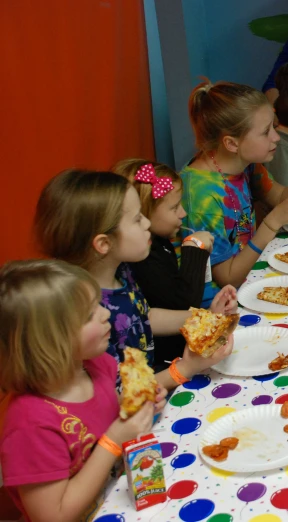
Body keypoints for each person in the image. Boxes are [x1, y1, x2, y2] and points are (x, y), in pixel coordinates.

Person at [34, 170, 235, 391]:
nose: (147, 223)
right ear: (103, 243)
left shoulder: (121, 271)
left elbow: (144, 316)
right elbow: (117, 396)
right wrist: (186, 368)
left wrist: (206, 318)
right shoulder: (85, 314)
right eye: (137, 218)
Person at [0, 260, 163, 521]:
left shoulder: (97, 365)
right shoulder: (29, 424)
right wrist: (112, 442)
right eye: (89, 315)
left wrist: (135, 405)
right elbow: (53, 516)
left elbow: (98, 414)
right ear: (49, 342)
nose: (105, 313)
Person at [183, 80, 288, 306]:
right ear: (232, 143)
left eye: (273, 127)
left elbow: (279, 194)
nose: (276, 137)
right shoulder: (202, 196)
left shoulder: (245, 163)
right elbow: (228, 278)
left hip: (252, 272)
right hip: (223, 306)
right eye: (266, 132)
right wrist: (272, 222)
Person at [113, 159, 236, 368]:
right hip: (165, 363)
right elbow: (182, 301)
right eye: (174, 208)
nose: (183, 214)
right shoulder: (142, 259)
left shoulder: (158, 245)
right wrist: (194, 252)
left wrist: (207, 317)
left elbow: (148, 316)